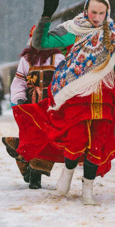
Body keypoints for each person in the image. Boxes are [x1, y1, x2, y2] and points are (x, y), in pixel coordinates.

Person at [11, 0, 115, 205]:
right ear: (86, 10)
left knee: (98, 141)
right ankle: (66, 176)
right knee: (75, 138)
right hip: (77, 92)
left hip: (104, 94)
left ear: (107, 13)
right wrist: (46, 17)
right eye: (93, 12)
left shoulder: (114, 35)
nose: (96, 16)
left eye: (101, 13)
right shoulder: (73, 28)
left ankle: (88, 188)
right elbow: (39, 43)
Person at [2, 25, 65, 189]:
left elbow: (65, 81)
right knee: (32, 138)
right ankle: (31, 174)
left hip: (51, 106)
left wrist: (62, 99)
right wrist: (20, 99)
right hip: (31, 106)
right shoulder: (26, 60)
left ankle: (32, 173)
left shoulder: (58, 58)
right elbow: (19, 82)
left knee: (47, 139)